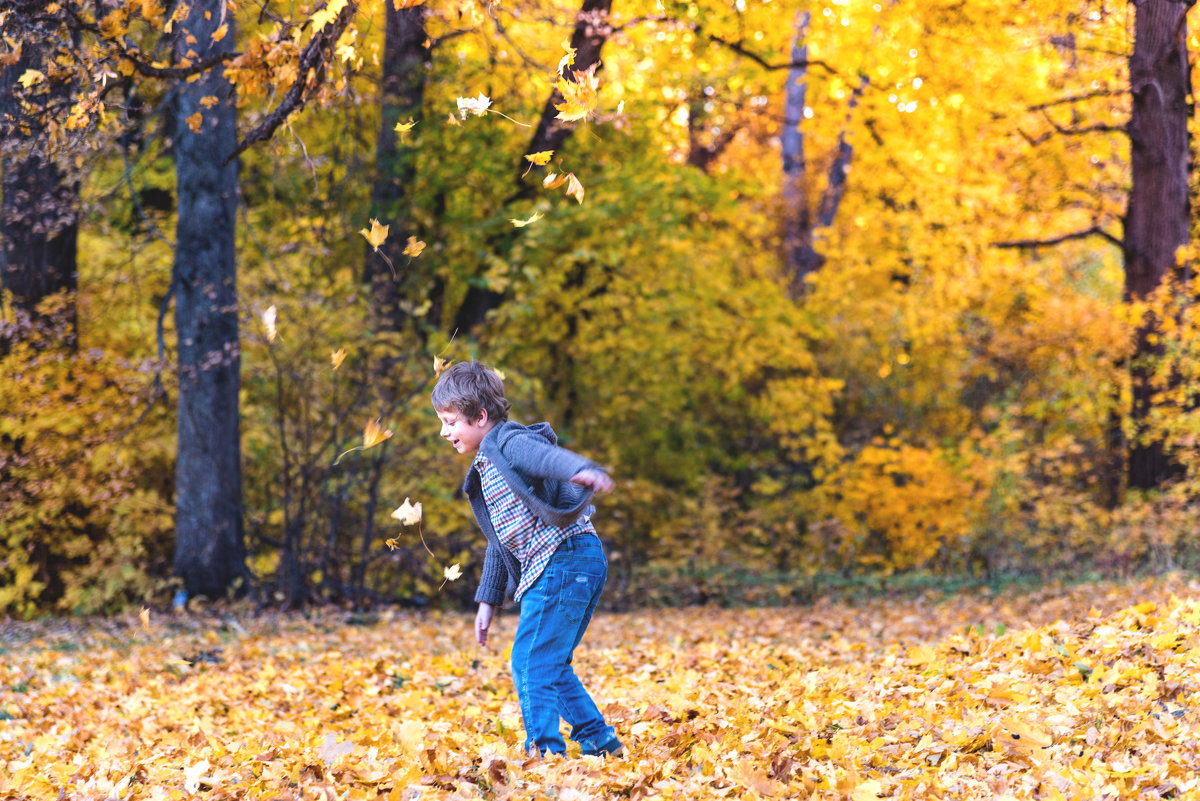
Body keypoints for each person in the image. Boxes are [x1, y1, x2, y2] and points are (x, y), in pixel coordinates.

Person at [431, 360, 624, 758]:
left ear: (480, 416)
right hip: (569, 564)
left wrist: (580, 470)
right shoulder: (486, 466)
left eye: (451, 421)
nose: (444, 431)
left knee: (530, 661)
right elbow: (499, 543)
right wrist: (487, 602)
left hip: (563, 560)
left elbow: (544, 457)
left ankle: (544, 753)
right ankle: (599, 740)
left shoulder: (507, 442)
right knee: (549, 662)